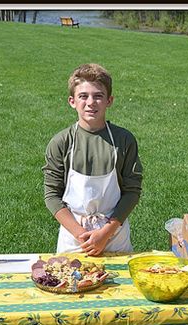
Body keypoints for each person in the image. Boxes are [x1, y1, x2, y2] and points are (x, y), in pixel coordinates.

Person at [43, 63, 143, 256]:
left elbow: (132, 191)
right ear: (72, 101)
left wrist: (105, 233)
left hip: (114, 234)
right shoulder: (61, 142)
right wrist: (82, 235)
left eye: (98, 96)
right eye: (83, 96)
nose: (91, 102)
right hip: (74, 238)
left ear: (109, 100)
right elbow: (52, 195)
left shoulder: (123, 140)